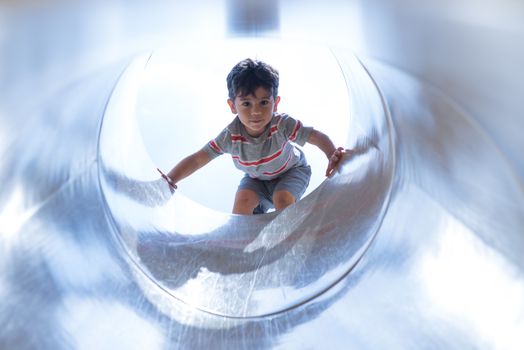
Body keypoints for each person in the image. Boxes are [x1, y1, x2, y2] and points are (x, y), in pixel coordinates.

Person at [159, 58, 345, 215]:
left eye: (264, 102)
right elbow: (198, 159)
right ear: (233, 106)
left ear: (276, 103)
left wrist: (331, 155)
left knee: (281, 198)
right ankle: (241, 246)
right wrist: (171, 179)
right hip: (256, 180)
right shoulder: (230, 136)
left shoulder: (281, 124)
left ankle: (290, 240)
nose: (256, 111)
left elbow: (314, 136)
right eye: (246, 103)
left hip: (291, 172)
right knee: (242, 200)